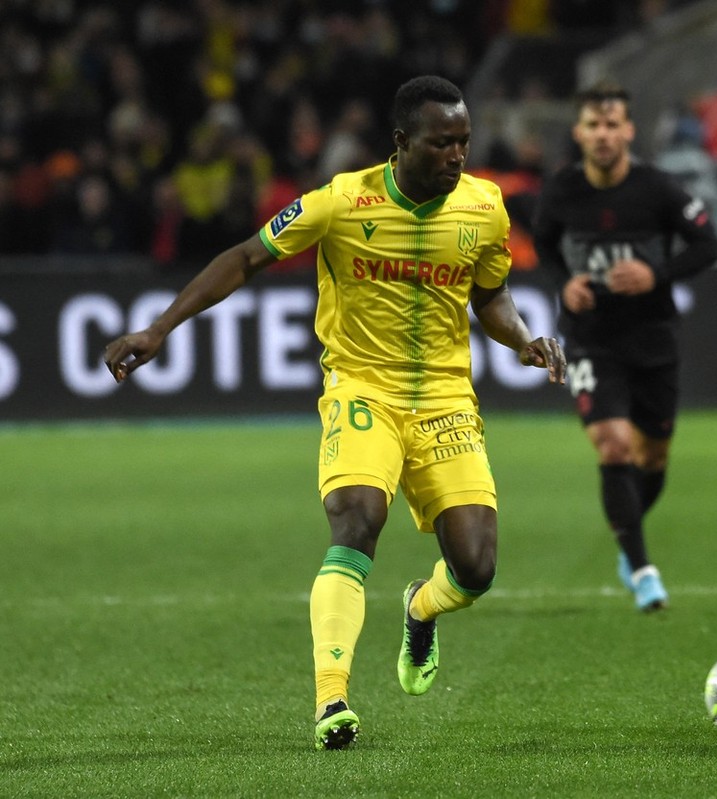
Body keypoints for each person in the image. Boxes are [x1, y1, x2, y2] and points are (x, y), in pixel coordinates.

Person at [102, 75, 566, 750]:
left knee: (477, 567)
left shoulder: (485, 207)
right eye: (442, 144)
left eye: (463, 142)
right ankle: (332, 699)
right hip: (361, 390)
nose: (457, 156)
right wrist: (159, 328)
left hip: (444, 398)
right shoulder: (342, 201)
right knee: (356, 521)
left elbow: (491, 296)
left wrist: (525, 339)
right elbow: (244, 257)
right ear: (402, 142)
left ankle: (419, 606)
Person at [531, 81, 717, 612]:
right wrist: (564, 281)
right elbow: (544, 243)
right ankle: (641, 568)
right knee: (613, 446)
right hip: (590, 340)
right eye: (593, 124)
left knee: (651, 458)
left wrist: (655, 273)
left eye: (613, 124)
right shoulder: (562, 191)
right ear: (579, 132)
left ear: (629, 130)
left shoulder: (659, 188)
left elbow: (710, 244)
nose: (603, 134)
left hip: (653, 337)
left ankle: (625, 537)